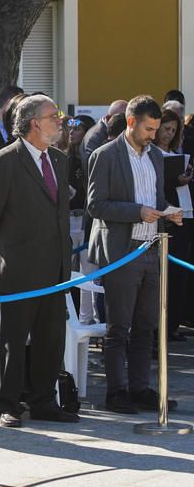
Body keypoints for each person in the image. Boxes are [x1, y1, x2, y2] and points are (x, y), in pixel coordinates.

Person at [0, 94, 78, 428]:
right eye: (55, 116)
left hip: (56, 267)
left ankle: (44, 400)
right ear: (35, 123)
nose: (60, 122)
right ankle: (10, 403)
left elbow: (59, 212)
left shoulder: (59, 161)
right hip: (19, 268)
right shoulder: (6, 160)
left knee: (51, 338)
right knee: (15, 339)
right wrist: (9, 248)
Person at [88, 95, 184, 414]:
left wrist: (169, 212)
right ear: (131, 122)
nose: (153, 135)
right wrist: (136, 212)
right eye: (148, 128)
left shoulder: (155, 155)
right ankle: (116, 391)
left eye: (156, 129)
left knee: (147, 325)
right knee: (119, 327)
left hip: (152, 250)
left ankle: (140, 387)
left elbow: (155, 199)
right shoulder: (105, 155)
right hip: (122, 252)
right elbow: (95, 205)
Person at [153, 109, 192, 341]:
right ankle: (163, 327)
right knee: (168, 275)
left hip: (185, 212)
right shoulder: (152, 153)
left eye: (173, 130)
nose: (169, 134)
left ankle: (174, 324)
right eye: (166, 128)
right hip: (168, 216)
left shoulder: (174, 151)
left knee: (180, 275)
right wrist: (174, 180)